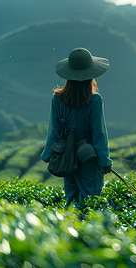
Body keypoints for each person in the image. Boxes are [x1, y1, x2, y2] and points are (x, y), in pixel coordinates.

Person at [41, 47, 113, 207]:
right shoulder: (94, 101)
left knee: (71, 201)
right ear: (91, 76)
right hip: (89, 159)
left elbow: (54, 131)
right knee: (90, 202)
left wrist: (48, 155)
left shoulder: (57, 99)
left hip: (68, 158)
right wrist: (104, 161)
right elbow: (98, 133)